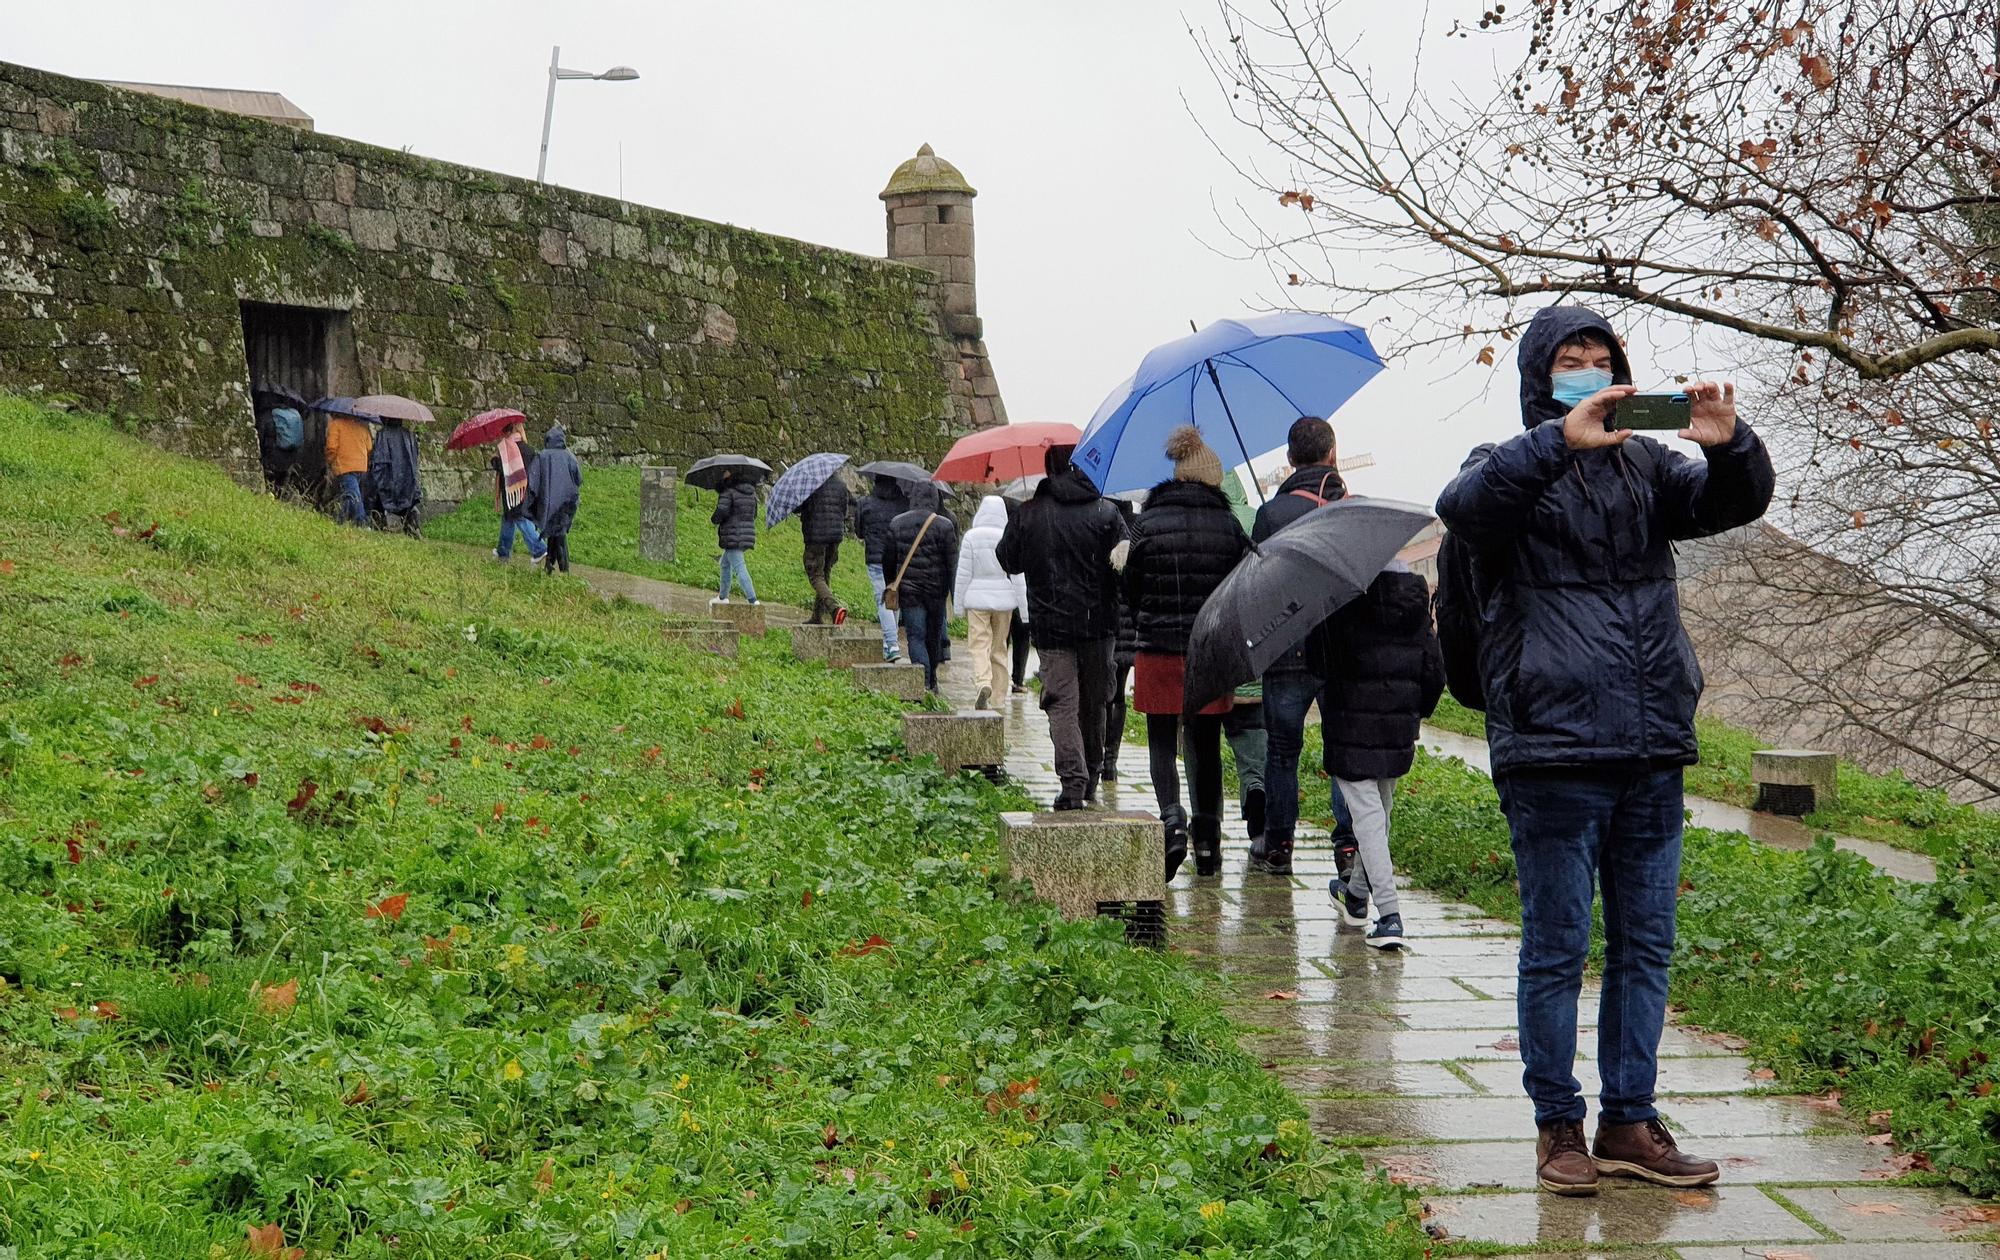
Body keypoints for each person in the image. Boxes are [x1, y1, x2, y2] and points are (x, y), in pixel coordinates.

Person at [1436, 304, 1773, 1197]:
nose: (1588, 372)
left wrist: (1728, 443)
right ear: (1540, 380)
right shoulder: (1505, 468)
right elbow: (1464, 512)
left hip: (1651, 738)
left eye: (1601, 359)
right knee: (1557, 945)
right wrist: (1559, 442)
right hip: (1553, 748)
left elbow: (1730, 503)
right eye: (1570, 362)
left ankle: (1629, 1120)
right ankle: (1559, 1129)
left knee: (1646, 944)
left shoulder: (1650, 465)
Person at [1123, 427, 1250, 879]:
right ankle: (1210, 844)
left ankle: (1172, 823)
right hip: (1208, 651)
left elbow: (1131, 590)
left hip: (1157, 646)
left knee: (1161, 738)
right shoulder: (1229, 525)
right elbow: (1243, 590)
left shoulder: (1148, 524)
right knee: (1205, 743)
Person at [1250, 417, 1358, 876]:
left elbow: (1256, 589)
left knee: (1281, 751)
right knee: (1343, 750)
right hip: (1341, 650)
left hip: (1287, 647)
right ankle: (1349, 847)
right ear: (1332, 454)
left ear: (1290, 459)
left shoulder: (1271, 515)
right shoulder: (1352, 509)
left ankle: (1278, 845)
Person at [1323, 559, 1445, 950]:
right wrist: (1414, 712)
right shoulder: (1414, 604)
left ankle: (1389, 915)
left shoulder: (1345, 600)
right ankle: (1356, 897)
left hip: (1350, 729)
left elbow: (1318, 662)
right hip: (1397, 729)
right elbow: (1434, 672)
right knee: (1381, 813)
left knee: (1370, 819)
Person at [998, 445, 1125, 810]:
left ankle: (1072, 780)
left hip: (1051, 627)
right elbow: (1122, 566)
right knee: (1095, 702)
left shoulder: (1030, 513)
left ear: (1047, 468)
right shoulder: (1106, 512)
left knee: (1061, 702)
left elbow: (1008, 558)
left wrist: (1022, 528)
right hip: (1099, 627)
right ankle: (1093, 773)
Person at [883, 481, 959, 693]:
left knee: (915, 635)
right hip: (936, 590)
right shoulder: (945, 525)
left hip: (910, 590)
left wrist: (890, 583)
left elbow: (888, 559)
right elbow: (952, 563)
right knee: (933, 636)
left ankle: (923, 679)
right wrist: (955, 595)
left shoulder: (897, 523)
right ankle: (931, 678)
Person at [954, 494, 1027, 710]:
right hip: (1004, 600)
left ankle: (983, 682)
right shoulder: (1008, 536)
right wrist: (1024, 611)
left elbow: (963, 574)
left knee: (979, 644)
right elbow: (1017, 576)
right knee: (999, 649)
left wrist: (958, 606)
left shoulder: (971, 537)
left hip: (976, 599)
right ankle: (998, 700)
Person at [1101, 497, 1140, 783]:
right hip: (1131, 627)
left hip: (1107, 624)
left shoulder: (1102, 530)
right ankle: (1110, 760)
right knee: (1118, 696)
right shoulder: (1139, 533)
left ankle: (1100, 752)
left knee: (1102, 693)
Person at [854, 475, 908, 661]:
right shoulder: (904, 504)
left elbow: (859, 531)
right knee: (894, 597)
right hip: (899, 558)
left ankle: (892, 644)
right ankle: (888, 642)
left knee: (883, 599)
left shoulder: (865, 503)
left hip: (876, 558)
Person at [798, 472, 852, 625]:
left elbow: (799, 507)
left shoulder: (811, 485)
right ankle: (817, 616)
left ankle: (834, 608)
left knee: (815, 574)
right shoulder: (841, 485)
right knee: (825, 572)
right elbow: (845, 511)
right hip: (835, 536)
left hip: (816, 535)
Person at [528, 424, 582, 574]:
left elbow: (533, 480)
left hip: (548, 503)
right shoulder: (570, 457)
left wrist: (531, 502)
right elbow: (579, 478)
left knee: (556, 532)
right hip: (567, 503)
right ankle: (551, 567)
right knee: (558, 532)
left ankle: (562, 568)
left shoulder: (542, 456)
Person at [491, 421, 547, 563]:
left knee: (519, 517)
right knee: (508, 519)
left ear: (506, 432)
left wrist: (494, 459)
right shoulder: (528, 448)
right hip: (526, 490)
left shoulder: (505, 449)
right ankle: (503, 551)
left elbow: (502, 468)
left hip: (512, 492)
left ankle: (539, 549)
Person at [368, 416, 424, 537]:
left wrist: (376, 477)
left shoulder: (383, 435)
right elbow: (414, 457)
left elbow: (379, 459)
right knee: (408, 504)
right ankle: (412, 526)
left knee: (380, 502)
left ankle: (381, 526)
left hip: (389, 478)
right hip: (407, 478)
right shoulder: (409, 435)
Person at [711, 468, 759, 603]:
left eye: (726, 472)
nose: (723, 474)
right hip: (746, 534)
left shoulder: (728, 491)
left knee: (739, 567)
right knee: (725, 563)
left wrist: (714, 519)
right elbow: (754, 514)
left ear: (731, 475)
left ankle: (753, 600)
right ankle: (722, 597)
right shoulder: (751, 493)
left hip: (733, 535)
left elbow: (722, 510)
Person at [325, 407, 374, 528]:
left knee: (353, 496)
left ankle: (362, 523)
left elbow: (331, 447)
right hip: (362, 467)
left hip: (345, 466)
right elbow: (369, 447)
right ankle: (339, 520)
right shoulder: (361, 427)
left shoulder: (335, 425)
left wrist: (330, 462)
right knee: (348, 494)